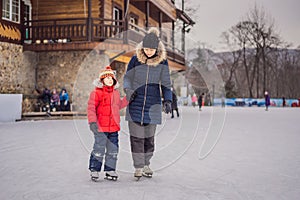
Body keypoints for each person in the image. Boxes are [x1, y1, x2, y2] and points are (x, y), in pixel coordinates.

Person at [123, 27, 172, 179]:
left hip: (153, 105)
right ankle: (138, 167)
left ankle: (146, 164)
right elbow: (127, 77)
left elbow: (166, 83)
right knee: (136, 138)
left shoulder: (162, 63)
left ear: (157, 49)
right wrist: (128, 89)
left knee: (149, 139)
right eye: (146, 49)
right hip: (135, 102)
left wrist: (168, 99)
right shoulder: (135, 59)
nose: (148, 52)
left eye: (151, 49)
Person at [87, 66, 129, 181]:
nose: (110, 80)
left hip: (114, 128)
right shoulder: (96, 93)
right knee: (99, 148)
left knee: (113, 150)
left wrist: (127, 98)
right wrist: (92, 122)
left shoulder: (115, 93)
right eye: (107, 78)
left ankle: (110, 170)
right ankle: (94, 169)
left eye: (111, 78)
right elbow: (91, 108)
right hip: (100, 128)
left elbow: (119, 105)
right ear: (102, 81)